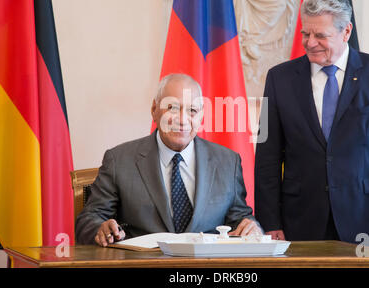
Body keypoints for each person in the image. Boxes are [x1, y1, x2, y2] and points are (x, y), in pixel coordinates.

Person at [254, 0, 369, 251]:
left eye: (320, 35)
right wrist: (269, 221)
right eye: (305, 34)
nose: (310, 42)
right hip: (299, 220)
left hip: (366, 219)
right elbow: (267, 157)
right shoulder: (278, 78)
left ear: (346, 32)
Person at [76, 74, 261, 246]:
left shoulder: (228, 162)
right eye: (172, 108)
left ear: (202, 116)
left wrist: (252, 227)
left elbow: (239, 219)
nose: (182, 120)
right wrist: (101, 229)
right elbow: (89, 219)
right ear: (154, 110)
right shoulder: (119, 160)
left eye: (192, 110)